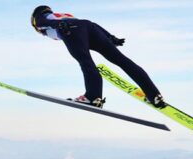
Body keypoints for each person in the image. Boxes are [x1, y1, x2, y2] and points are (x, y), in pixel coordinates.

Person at [31, 5, 165, 109]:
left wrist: (57, 25)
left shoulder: (42, 18)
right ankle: (154, 95)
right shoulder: (62, 15)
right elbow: (91, 24)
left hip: (71, 30)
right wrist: (110, 37)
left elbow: (41, 22)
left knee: (86, 61)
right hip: (89, 28)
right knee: (123, 61)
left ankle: (93, 97)